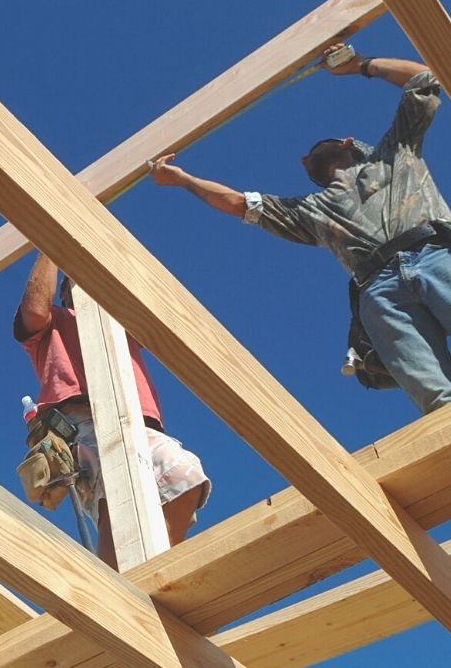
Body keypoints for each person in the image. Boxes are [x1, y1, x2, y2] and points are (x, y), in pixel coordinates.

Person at [150, 44, 451, 414]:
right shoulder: (310, 210)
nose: (306, 156)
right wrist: (181, 179)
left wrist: (359, 65)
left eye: (316, 148)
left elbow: (424, 79)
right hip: (379, 291)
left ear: (347, 144)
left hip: (435, 254)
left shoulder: (394, 152)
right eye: (305, 158)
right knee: (439, 400)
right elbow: (239, 204)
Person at [15, 250, 210, 569]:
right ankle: (120, 590)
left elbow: (157, 315)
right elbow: (34, 309)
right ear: (65, 294)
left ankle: (149, 576)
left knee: (183, 473)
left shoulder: (124, 329)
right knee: (116, 500)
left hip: (137, 422)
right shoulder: (55, 325)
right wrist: (53, 244)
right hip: (80, 422)